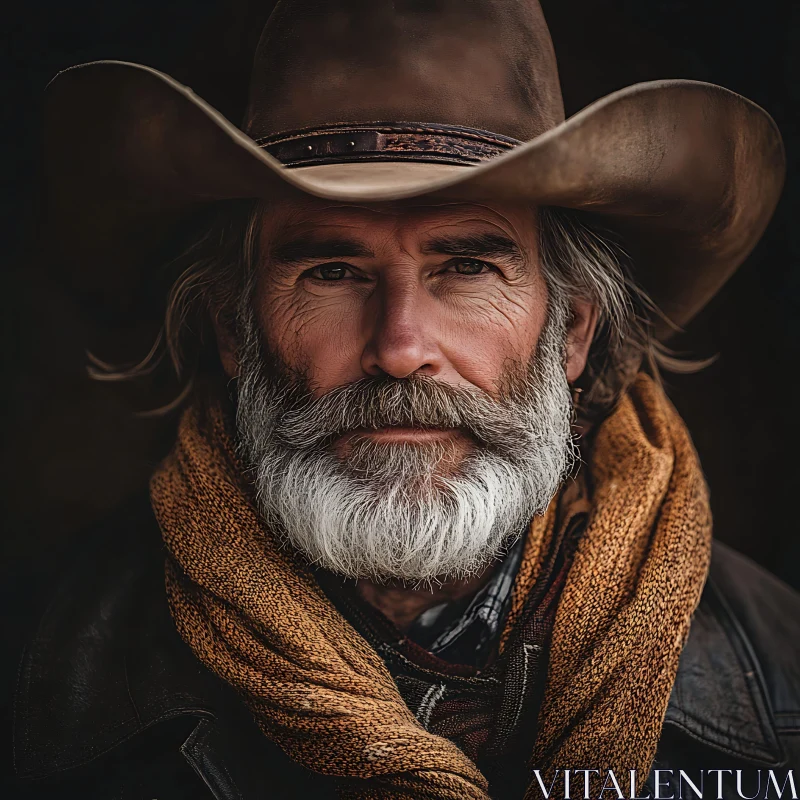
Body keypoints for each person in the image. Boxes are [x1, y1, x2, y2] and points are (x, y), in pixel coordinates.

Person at [8, 1, 798, 798]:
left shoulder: (783, 673)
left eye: (467, 267)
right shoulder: (33, 668)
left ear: (572, 336)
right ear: (235, 334)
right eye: (331, 272)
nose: (399, 348)